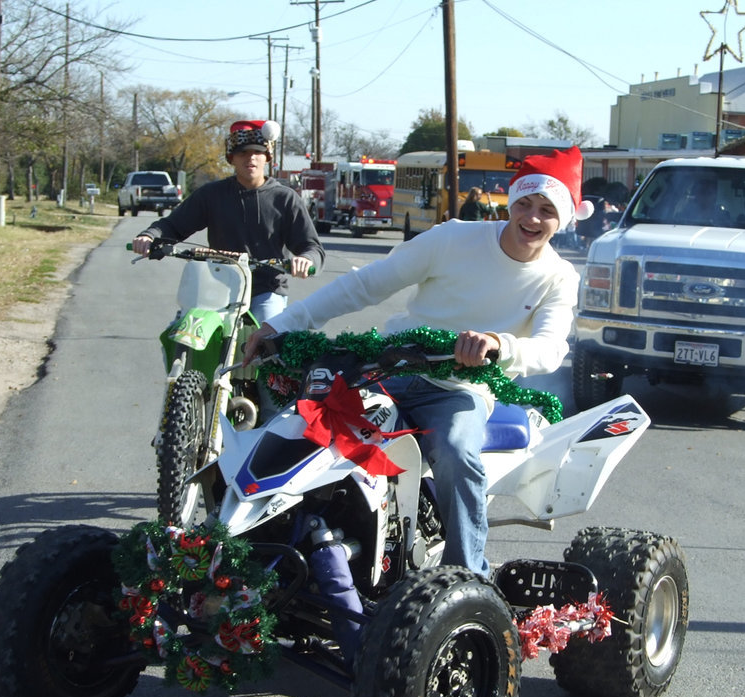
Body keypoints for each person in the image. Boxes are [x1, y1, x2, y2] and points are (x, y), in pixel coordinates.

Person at [243, 146, 587, 576]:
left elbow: (550, 348)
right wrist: (282, 324)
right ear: (511, 202)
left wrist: (497, 343)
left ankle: (468, 577)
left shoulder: (559, 277)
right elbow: (366, 284)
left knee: (457, 452)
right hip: (388, 369)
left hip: (461, 389)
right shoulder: (453, 238)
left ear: (564, 219)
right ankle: (264, 552)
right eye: (525, 204)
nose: (532, 218)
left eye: (547, 210)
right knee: (304, 427)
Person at [130, 120, 324, 324]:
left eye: (257, 152)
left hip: (266, 289)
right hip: (215, 287)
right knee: (182, 330)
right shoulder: (212, 194)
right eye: (243, 152)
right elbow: (173, 225)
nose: (251, 158)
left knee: (270, 332)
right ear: (231, 158)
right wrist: (149, 236)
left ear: (267, 157)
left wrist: (306, 260)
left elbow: (312, 247)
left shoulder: (285, 199)